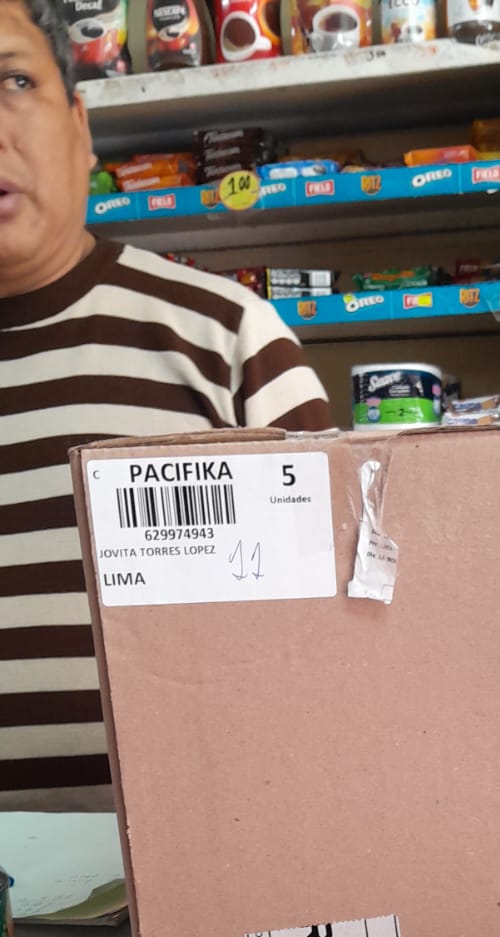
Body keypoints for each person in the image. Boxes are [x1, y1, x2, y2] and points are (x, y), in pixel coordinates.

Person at [0, 0, 331, 807]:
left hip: (196, 868)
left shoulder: (229, 340)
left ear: (79, 127)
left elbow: (340, 654)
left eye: (13, 81)